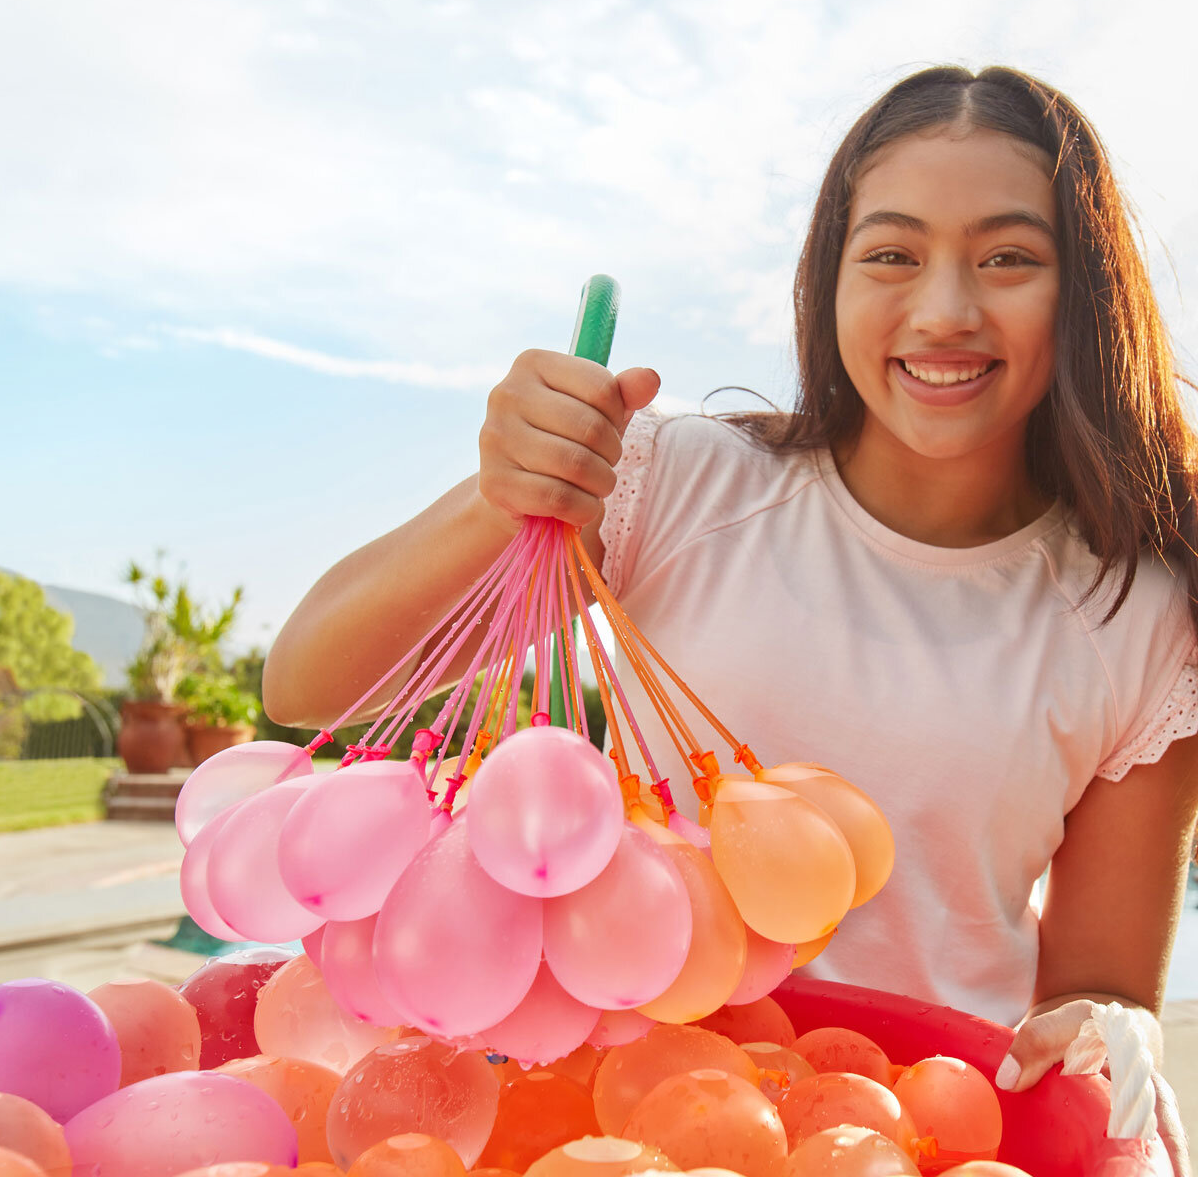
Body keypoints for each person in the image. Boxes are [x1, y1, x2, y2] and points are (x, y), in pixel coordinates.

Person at [263, 65, 1198, 1171]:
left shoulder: (1138, 607)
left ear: (1081, 291)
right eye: (891, 253)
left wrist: (1110, 1028)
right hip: (621, 1127)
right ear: (828, 283)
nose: (945, 309)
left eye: (1008, 258)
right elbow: (310, 684)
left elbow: (1095, 981)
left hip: (917, 1139)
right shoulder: (678, 484)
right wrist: (505, 490)